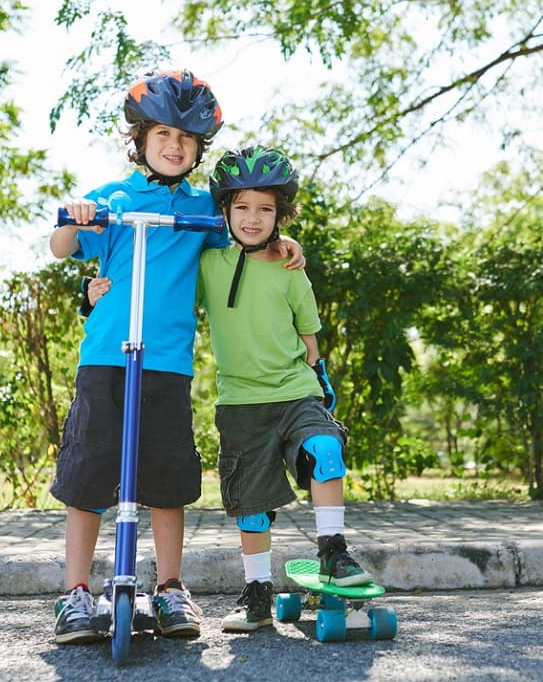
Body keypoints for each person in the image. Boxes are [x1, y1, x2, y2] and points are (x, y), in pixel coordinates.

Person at [48, 70, 304, 645]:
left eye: (186, 139)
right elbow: (62, 245)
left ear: (198, 150)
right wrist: (72, 216)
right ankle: (75, 593)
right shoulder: (112, 198)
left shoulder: (202, 211)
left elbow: (246, 234)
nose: (174, 146)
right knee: (89, 475)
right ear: (139, 139)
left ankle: (167, 587)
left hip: (167, 366)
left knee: (166, 480)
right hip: (107, 361)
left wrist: (282, 242)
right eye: (163, 133)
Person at [198, 145, 372, 633]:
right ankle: (257, 592)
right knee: (251, 507)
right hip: (240, 403)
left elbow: (310, 344)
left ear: (281, 214)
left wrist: (317, 383)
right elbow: (170, 293)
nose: (253, 218)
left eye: (266, 208)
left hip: (295, 392)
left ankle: (333, 552)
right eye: (243, 207)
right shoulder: (208, 263)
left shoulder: (292, 269)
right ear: (225, 210)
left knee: (324, 448)